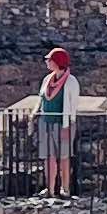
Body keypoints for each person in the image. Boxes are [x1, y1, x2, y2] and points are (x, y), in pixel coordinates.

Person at [32, 46, 80, 196]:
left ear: (57, 62)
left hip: (63, 124)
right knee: (49, 157)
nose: (47, 62)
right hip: (46, 122)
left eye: (49, 60)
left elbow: (72, 105)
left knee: (64, 157)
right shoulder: (47, 79)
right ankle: (50, 188)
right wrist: (34, 113)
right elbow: (41, 98)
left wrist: (68, 126)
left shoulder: (71, 82)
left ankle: (65, 188)